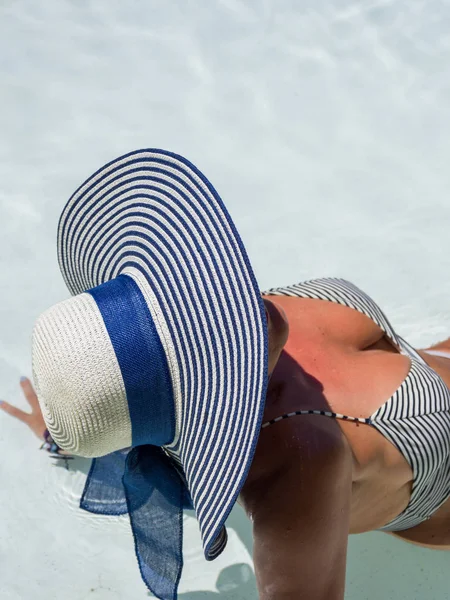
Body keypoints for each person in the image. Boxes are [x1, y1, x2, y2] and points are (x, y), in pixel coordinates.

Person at [2, 150, 449, 600]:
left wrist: (69, 427)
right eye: (183, 334)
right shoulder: (299, 464)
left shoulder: (219, 303)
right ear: (195, 382)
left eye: (171, 299)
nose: (199, 295)